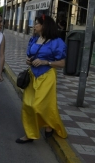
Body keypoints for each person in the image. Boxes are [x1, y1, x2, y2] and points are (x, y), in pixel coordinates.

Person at [16, 15, 67, 143]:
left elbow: (62, 63)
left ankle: (50, 125)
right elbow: (30, 55)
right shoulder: (34, 39)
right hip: (32, 76)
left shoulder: (57, 42)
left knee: (40, 106)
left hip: (47, 77)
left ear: (44, 26)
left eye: (36, 24)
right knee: (28, 105)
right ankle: (30, 134)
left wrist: (46, 62)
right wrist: (29, 61)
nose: (34, 26)